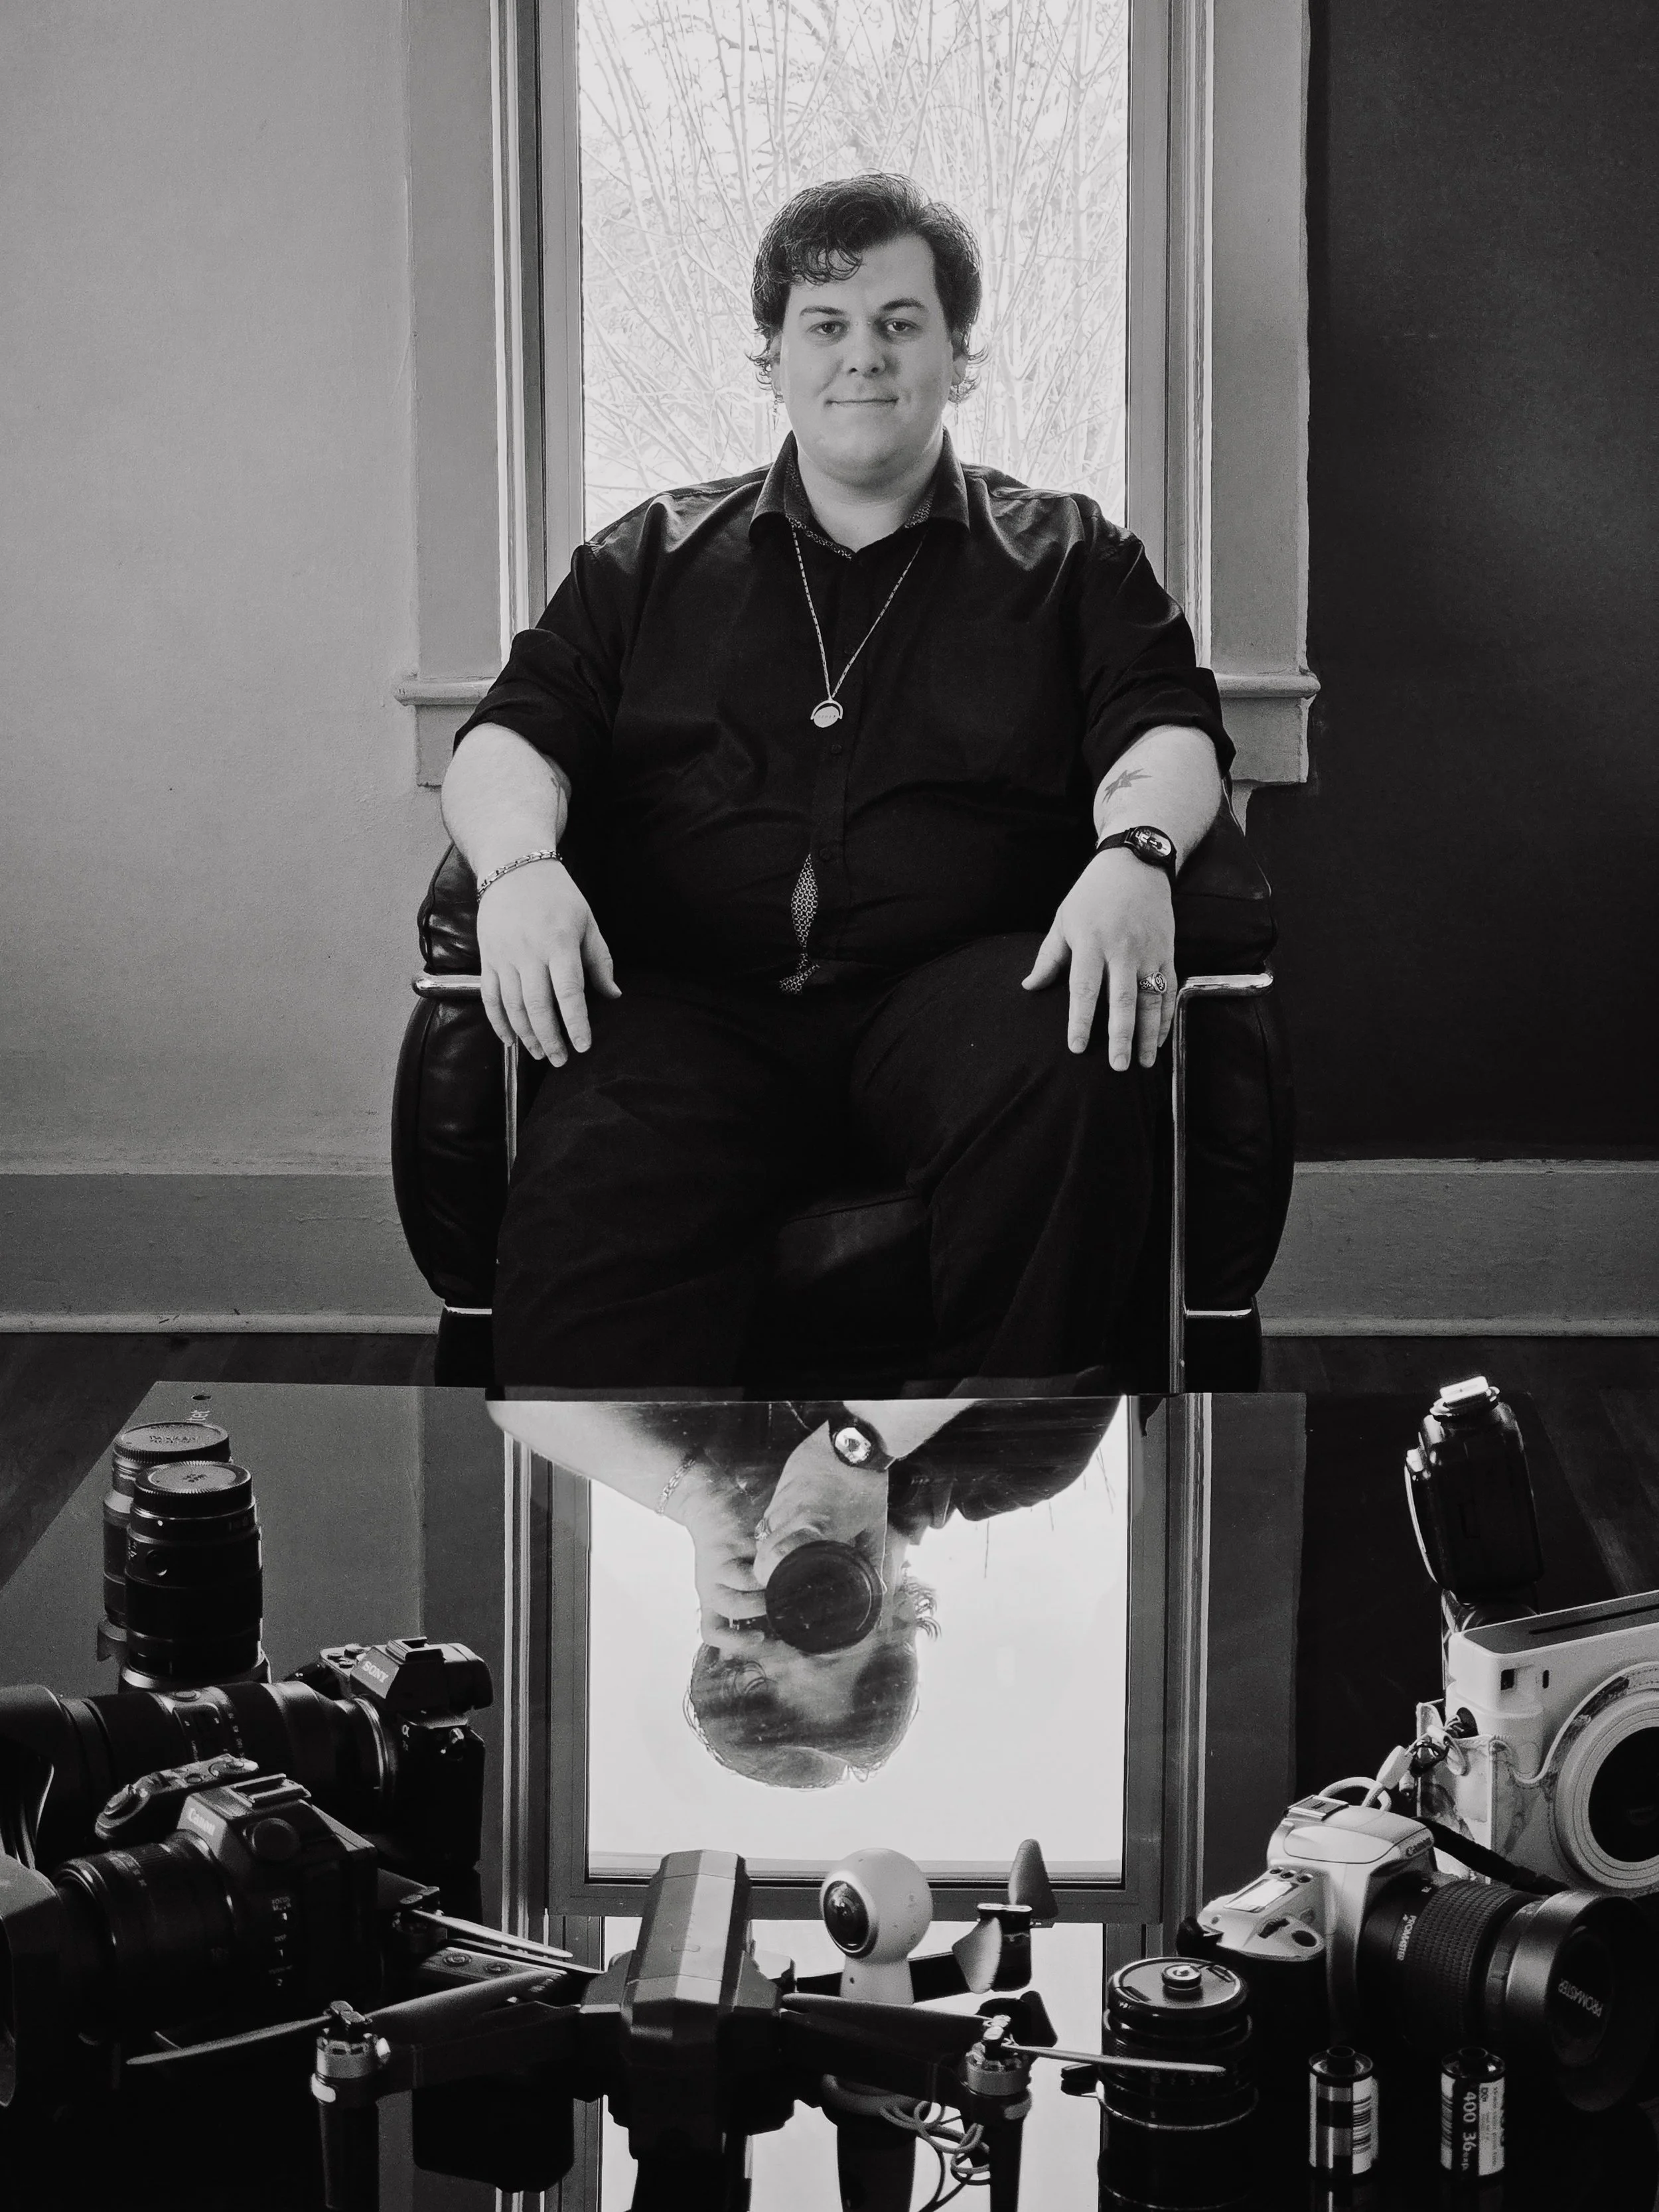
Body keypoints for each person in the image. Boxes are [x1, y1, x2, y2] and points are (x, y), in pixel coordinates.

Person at [444, 174, 1231, 1386]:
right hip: (689, 1004)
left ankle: (1003, 1503)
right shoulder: (644, 557)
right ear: (771, 357)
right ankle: (628, 1526)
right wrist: (516, 868)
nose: (863, 357)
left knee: (1069, 1070)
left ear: (959, 358)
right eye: (827, 325)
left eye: (900, 324)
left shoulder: (1074, 557)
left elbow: (1169, 729)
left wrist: (1139, 858)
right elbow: (511, 737)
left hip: (968, 994)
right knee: (597, 1161)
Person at [488, 1395, 1113, 1787]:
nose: (791, 1601)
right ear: (901, 1617)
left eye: (756, 1626)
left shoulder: (712, 1439)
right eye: (819, 1631)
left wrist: (698, 1499)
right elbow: (1060, 1310)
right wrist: (859, 1451)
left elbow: (516, 1402)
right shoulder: (1016, 1467)